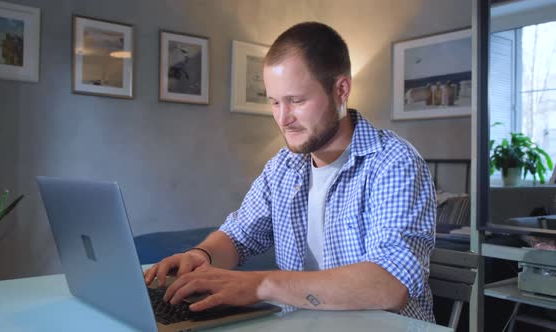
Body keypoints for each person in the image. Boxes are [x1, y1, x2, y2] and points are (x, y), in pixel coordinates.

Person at [144, 22, 436, 322]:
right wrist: (200, 256)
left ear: (341, 90)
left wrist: (261, 285)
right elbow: (239, 236)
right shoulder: (284, 166)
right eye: (274, 102)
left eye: (297, 101)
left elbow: (391, 285)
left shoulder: (394, 162)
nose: (283, 119)